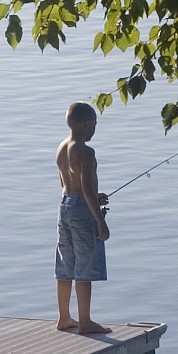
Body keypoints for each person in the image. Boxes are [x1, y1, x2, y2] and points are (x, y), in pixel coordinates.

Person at [54, 101, 109, 333]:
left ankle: (64, 317)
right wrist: (101, 221)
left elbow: (68, 185)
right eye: (94, 124)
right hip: (81, 211)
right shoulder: (86, 152)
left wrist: (94, 197)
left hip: (64, 206)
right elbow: (86, 189)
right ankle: (85, 321)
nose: (95, 129)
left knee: (66, 266)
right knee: (84, 267)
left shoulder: (62, 147)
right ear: (86, 122)